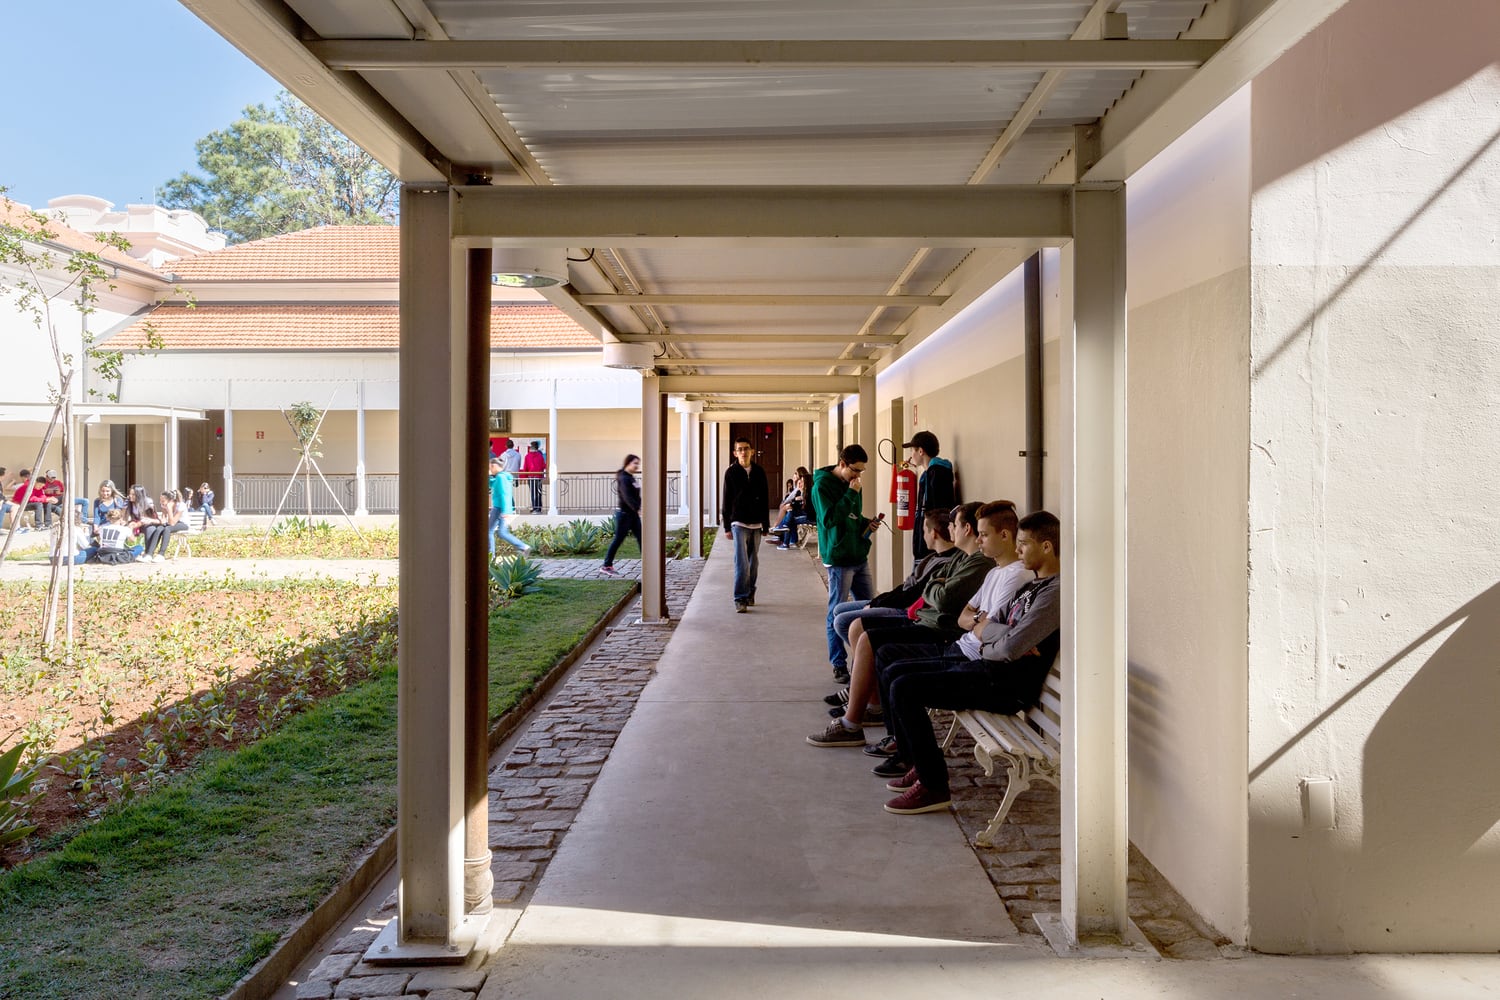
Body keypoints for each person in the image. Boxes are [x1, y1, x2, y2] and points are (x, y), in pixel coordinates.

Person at [881, 510, 1061, 815]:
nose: (1018, 551)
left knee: (905, 688)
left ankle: (933, 785)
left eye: (1024, 544)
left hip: (1007, 686)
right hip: (990, 671)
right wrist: (998, 636)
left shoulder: (1054, 593)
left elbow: (1009, 647)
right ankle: (923, 767)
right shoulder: (1031, 587)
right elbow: (997, 632)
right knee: (898, 675)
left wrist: (997, 638)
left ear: (1046, 546)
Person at [840, 502, 1034, 774]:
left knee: (899, 678)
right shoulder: (993, 572)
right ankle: (901, 745)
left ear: (1005, 535)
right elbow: (963, 616)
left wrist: (975, 620)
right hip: (958, 643)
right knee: (882, 652)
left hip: (971, 656)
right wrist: (976, 620)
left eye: (984, 534)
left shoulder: (1013, 575)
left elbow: (974, 618)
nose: (979, 540)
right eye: (977, 533)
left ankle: (923, 772)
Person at [806, 500, 996, 748]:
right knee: (858, 629)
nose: (952, 530)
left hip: (940, 631)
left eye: (955, 525)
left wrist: (935, 587)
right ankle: (868, 705)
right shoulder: (963, 558)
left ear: (966, 529)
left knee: (862, 632)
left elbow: (943, 597)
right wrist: (935, 587)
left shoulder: (979, 563)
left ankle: (853, 722)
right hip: (927, 620)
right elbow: (930, 589)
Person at [811, 445, 875, 682]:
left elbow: (852, 517)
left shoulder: (855, 484)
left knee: (871, 609)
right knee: (836, 611)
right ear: (842, 464)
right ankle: (839, 663)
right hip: (838, 558)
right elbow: (829, 520)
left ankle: (868, 660)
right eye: (855, 471)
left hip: (858, 554)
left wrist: (867, 524)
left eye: (861, 472)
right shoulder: (822, 487)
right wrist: (850, 494)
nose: (858, 476)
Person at [721, 436, 769, 613]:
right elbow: (726, 500)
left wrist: (765, 523)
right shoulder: (731, 472)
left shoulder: (759, 471)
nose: (743, 452)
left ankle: (750, 593)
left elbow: (765, 498)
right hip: (738, 522)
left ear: (751, 451)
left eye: (746, 448)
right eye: (739, 449)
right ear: (735, 453)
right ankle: (740, 598)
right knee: (742, 562)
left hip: (756, 522)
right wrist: (727, 526)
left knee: (753, 562)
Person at [903, 431, 957, 560]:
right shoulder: (927, 475)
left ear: (920, 451)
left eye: (912, 451)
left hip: (932, 548)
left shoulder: (937, 473)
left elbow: (936, 509)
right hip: (924, 543)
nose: (911, 456)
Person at [600, 454, 642, 576]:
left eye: (637, 463)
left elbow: (635, 495)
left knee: (641, 538)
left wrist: (638, 507)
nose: (637, 466)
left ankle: (648, 564)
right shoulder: (624, 478)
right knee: (618, 539)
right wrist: (637, 508)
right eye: (635, 463)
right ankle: (606, 565)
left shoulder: (630, 477)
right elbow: (627, 496)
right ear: (628, 463)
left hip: (632, 515)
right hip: (624, 515)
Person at [487, 455, 532, 557]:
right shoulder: (501, 477)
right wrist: (489, 476)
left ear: (494, 466)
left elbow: (504, 494)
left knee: (498, 532)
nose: (490, 469)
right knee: (494, 531)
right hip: (500, 508)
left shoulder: (501, 477)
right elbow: (491, 484)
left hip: (500, 509)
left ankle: (492, 555)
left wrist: (506, 511)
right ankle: (491, 555)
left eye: (490, 467)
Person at [768, 468, 813, 549]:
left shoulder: (808, 493)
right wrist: (793, 503)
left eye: (802, 482)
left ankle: (784, 539)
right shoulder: (803, 492)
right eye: (800, 482)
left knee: (789, 519)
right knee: (789, 513)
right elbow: (796, 503)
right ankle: (789, 539)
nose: (800, 484)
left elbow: (805, 508)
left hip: (809, 517)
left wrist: (795, 502)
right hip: (805, 514)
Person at [521, 441, 548, 512]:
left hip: (531, 477)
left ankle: (534, 507)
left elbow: (525, 467)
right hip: (538, 476)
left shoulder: (527, 456)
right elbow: (543, 466)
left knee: (533, 492)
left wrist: (524, 477)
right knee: (539, 492)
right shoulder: (540, 456)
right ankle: (539, 508)